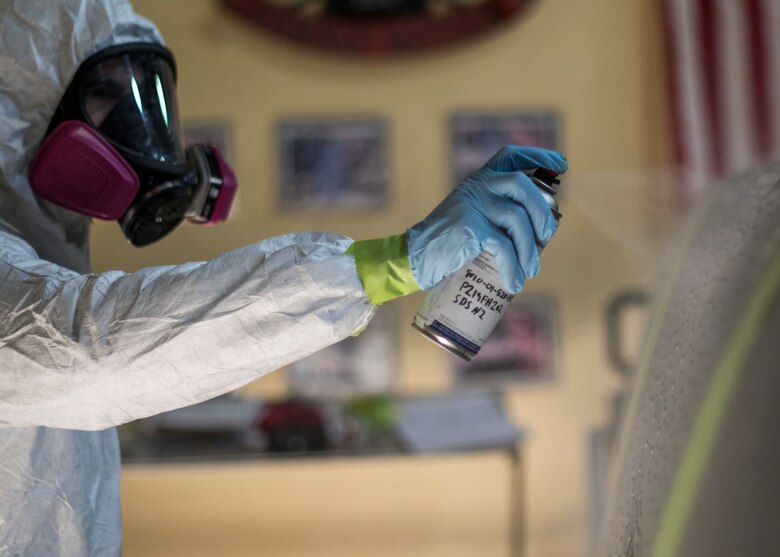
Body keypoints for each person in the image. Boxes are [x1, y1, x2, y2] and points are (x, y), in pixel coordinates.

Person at [0, 0, 568, 554]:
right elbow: (78, 352)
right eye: (103, 93)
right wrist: (386, 265)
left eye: (147, 93)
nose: (131, 128)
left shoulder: (34, 240)